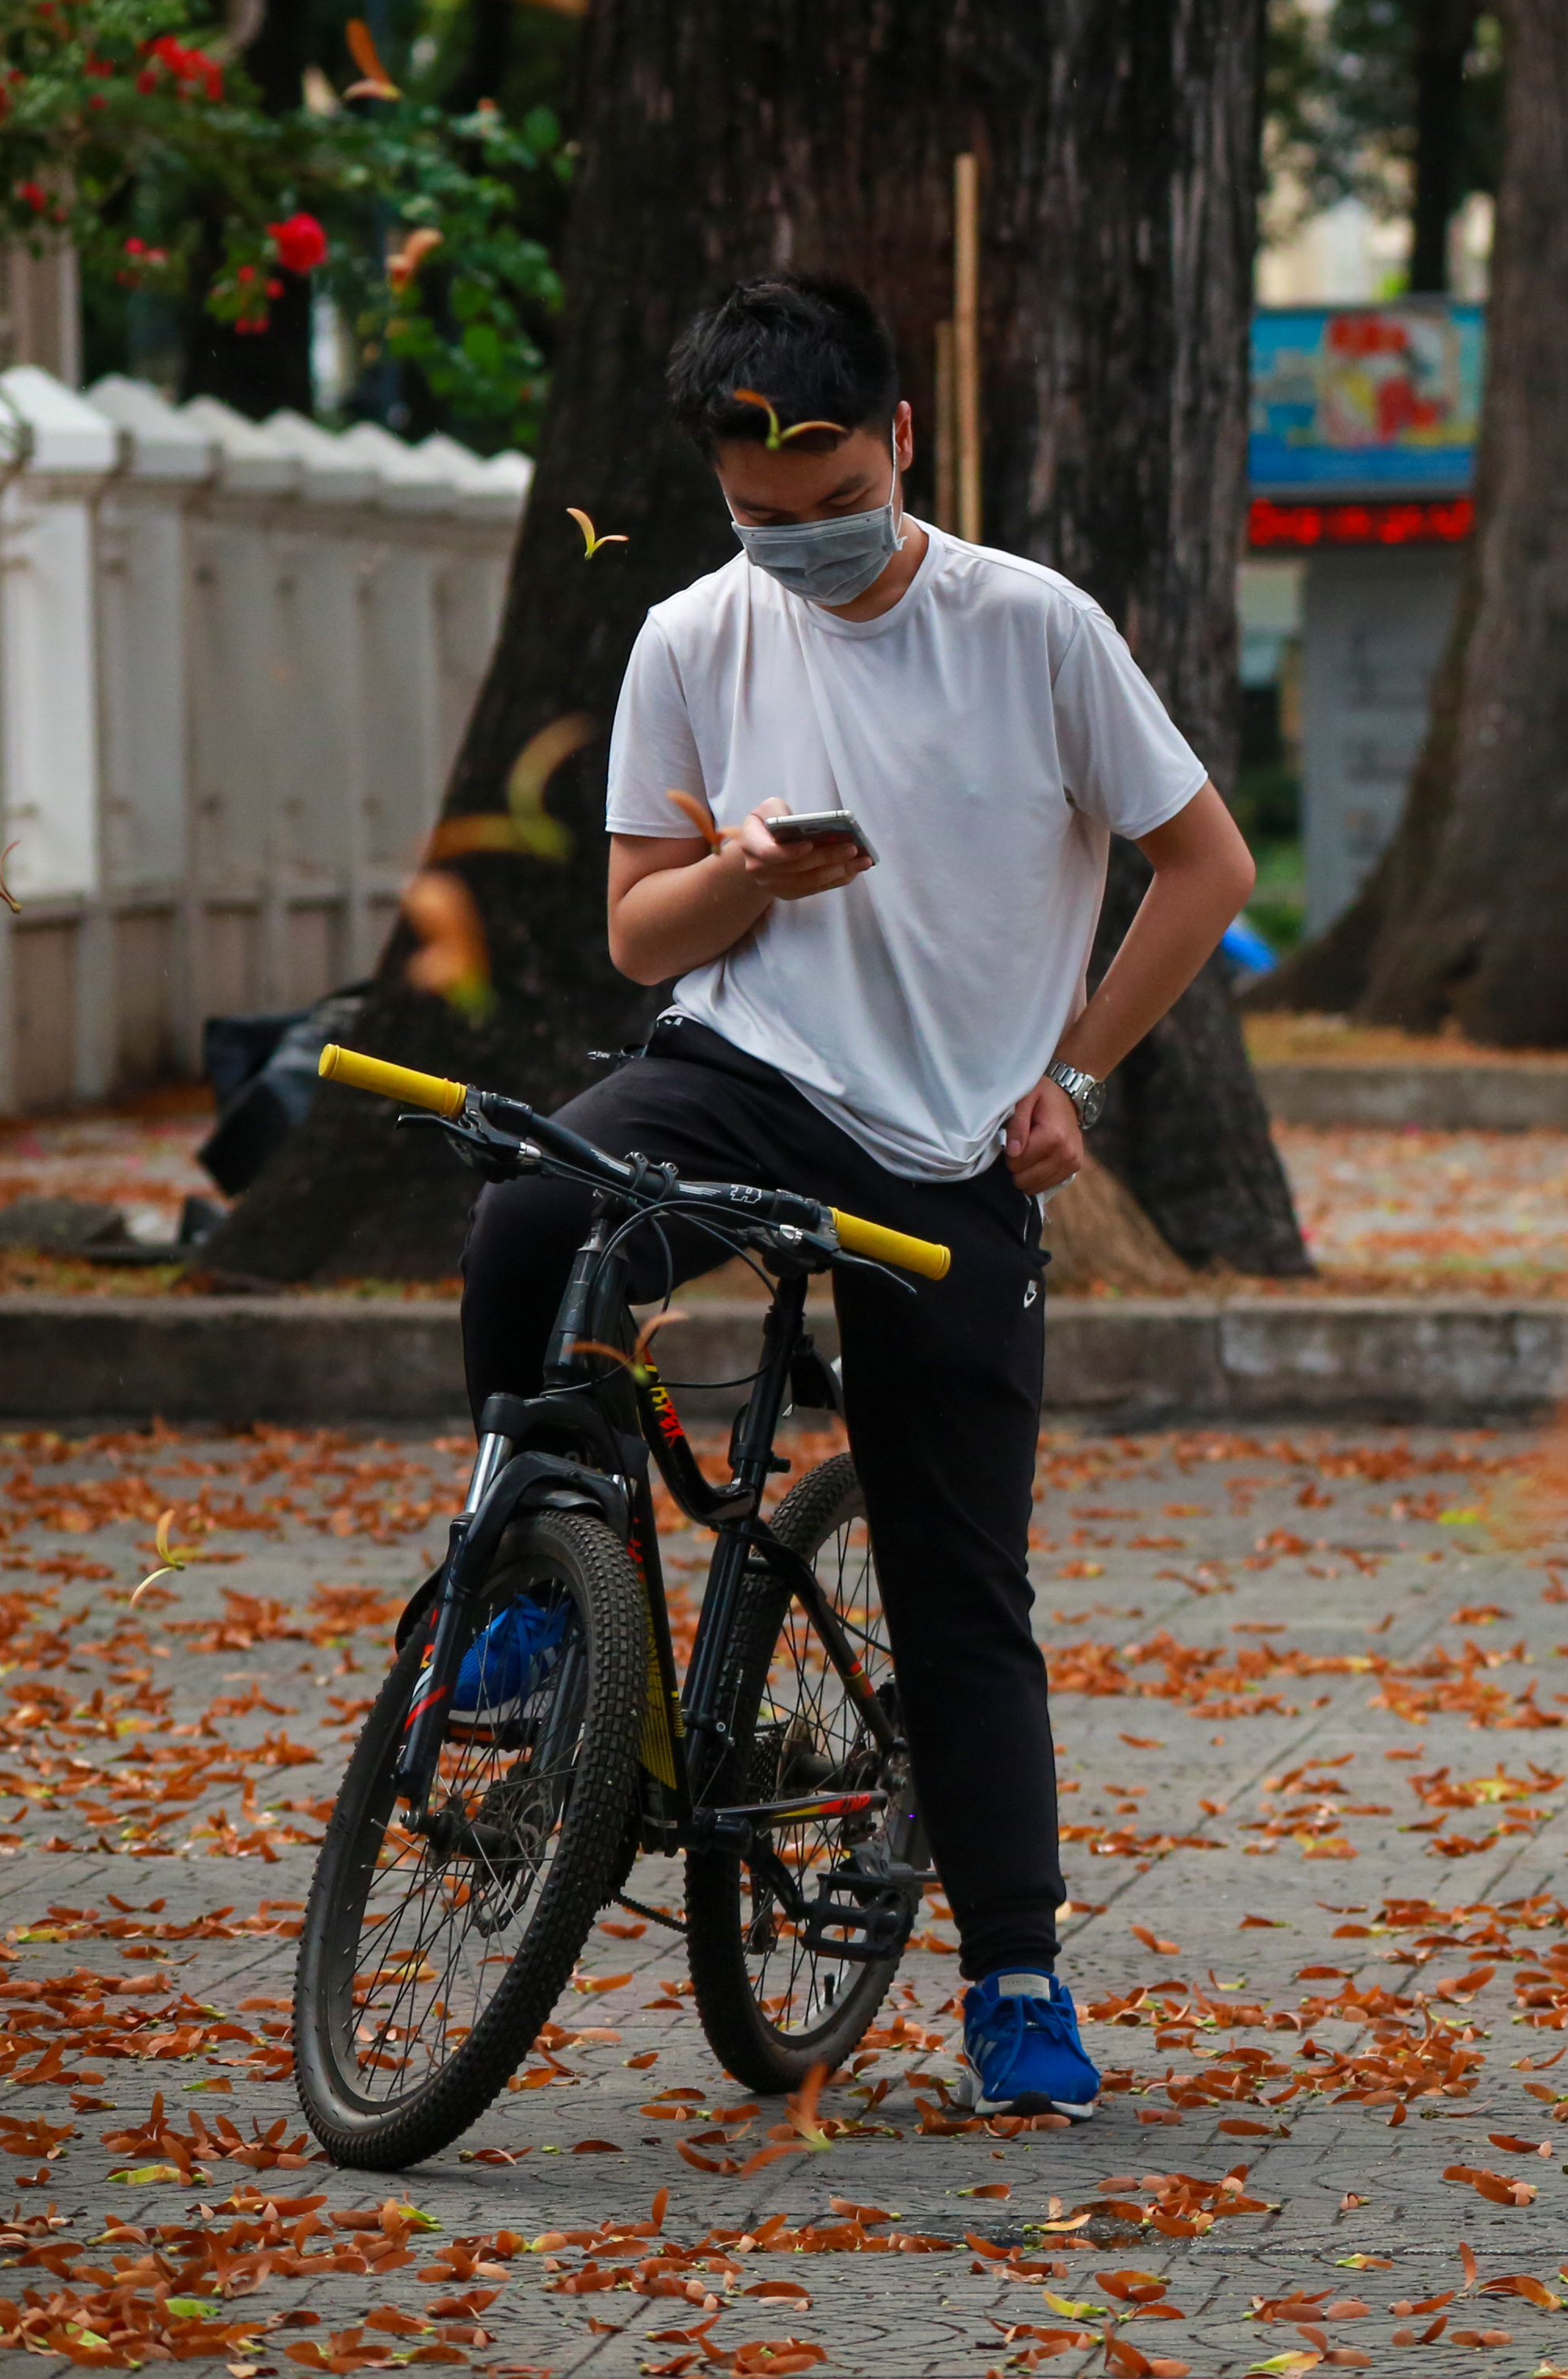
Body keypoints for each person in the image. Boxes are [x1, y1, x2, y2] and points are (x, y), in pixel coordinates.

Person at [457, 273, 1255, 2123]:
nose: (802, 544)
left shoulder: (1028, 626)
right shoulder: (689, 636)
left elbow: (1199, 863)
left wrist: (1073, 1069)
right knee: (533, 1210)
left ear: (900, 442)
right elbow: (634, 925)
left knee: (960, 1578)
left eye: (832, 503)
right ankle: (531, 1574)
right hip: (743, 1070)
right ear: (717, 484)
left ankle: (1014, 1970)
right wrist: (738, 868)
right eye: (762, 515)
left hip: (952, 1146)